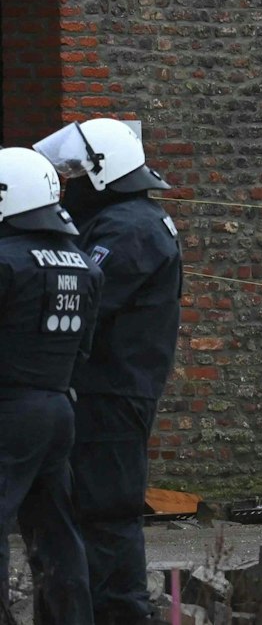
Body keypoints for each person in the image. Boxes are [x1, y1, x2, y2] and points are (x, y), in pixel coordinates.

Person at [34, 119, 182, 623]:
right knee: (89, 514)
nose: (68, 184)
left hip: (112, 392)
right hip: (109, 388)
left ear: (105, 173)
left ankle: (117, 614)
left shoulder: (130, 227)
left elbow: (87, 300)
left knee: (106, 513)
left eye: (76, 174)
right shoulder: (127, 218)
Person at [0, 146, 101, 625]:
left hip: (9, 408)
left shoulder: (6, 260)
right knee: (57, 532)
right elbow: (85, 346)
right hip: (58, 406)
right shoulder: (83, 263)